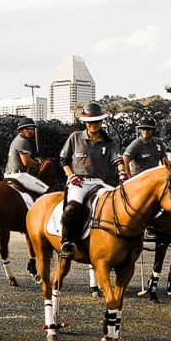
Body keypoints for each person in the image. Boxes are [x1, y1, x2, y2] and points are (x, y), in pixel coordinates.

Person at [58, 102, 128, 259]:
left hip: (99, 183)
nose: (93, 125)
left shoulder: (110, 143)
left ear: (102, 122)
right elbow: (64, 160)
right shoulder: (75, 137)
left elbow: (118, 160)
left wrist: (122, 172)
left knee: (116, 205)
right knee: (72, 209)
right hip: (79, 182)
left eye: (96, 121)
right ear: (85, 122)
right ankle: (67, 242)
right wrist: (71, 175)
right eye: (89, 122)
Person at [3, 117, 49, 195]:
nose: (30, 131)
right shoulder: (23, 141)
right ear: (21, 130)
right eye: (27, 129)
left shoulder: (16, 140)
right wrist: (37, 163)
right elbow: (26, 162)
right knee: (46, 191)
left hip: (8, 175)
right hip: (19, 175)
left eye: (32, 129)